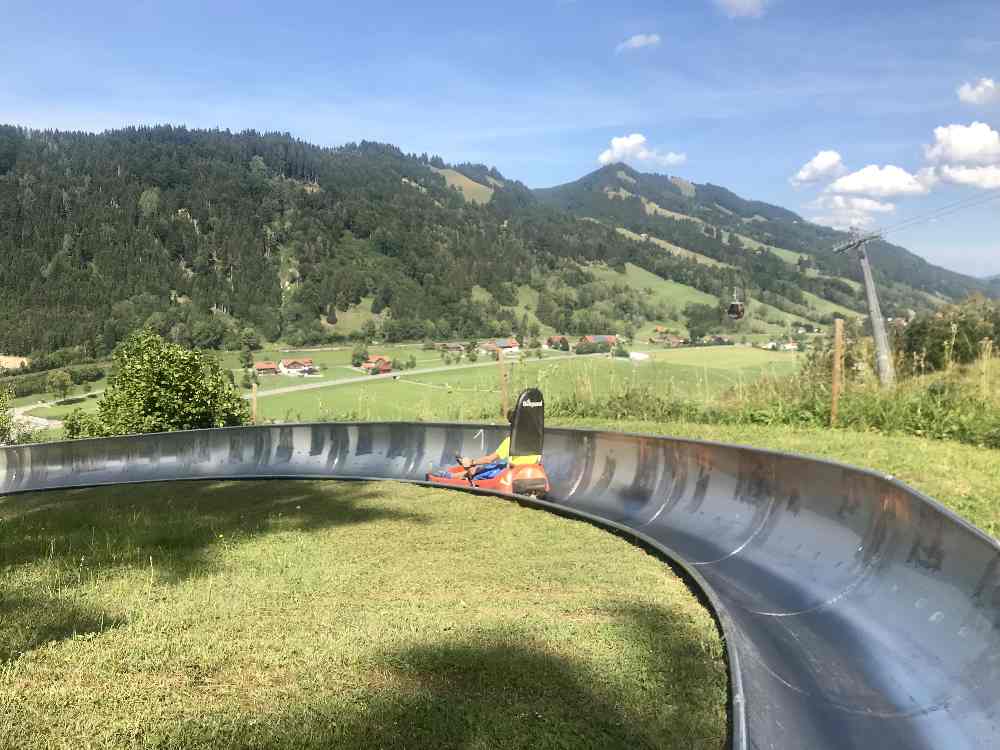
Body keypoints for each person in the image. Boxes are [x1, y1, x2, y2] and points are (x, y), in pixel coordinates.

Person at [459, 409, 542, 479]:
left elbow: (490, 459)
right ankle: (470, 470)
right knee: (498, 464)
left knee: (477, 473)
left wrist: (472, 462)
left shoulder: (510, 441)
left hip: (514, 473)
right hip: (532, 470)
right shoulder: (536, 438)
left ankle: (452, 476)